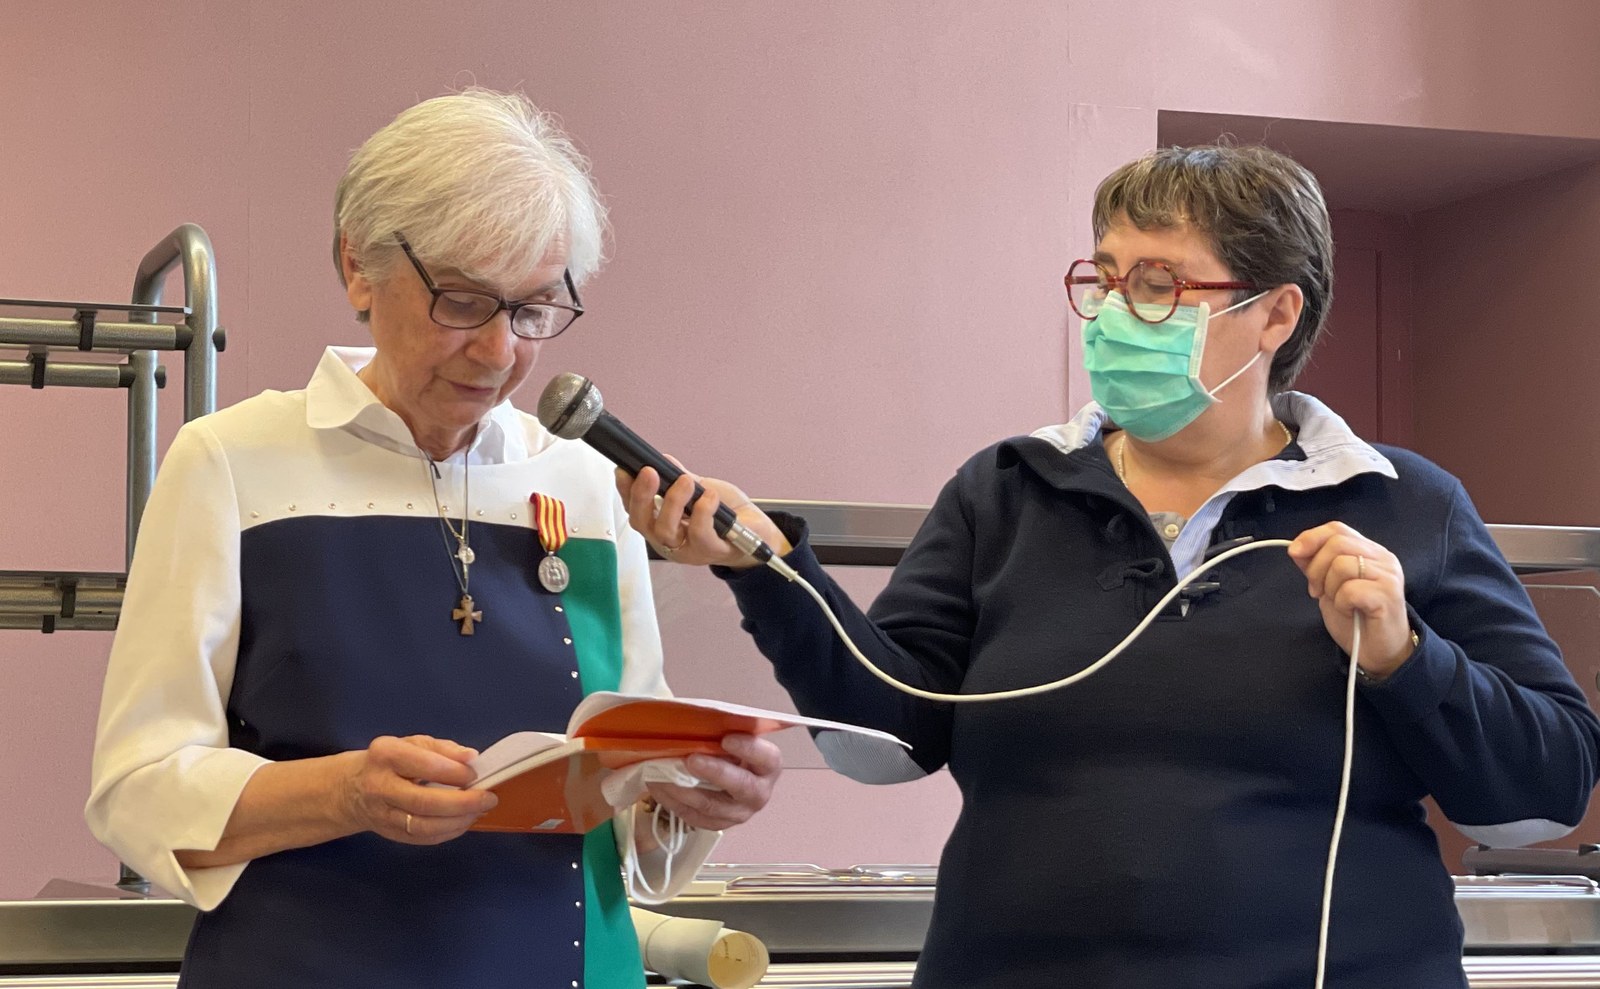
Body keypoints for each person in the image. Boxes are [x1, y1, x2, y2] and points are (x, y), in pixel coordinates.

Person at [618, 144, 1600, 988]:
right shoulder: (1006, 489)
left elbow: (1539, 797)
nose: (1115, 314)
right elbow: (887, 740)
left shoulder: (1405, 504)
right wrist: (770, 572)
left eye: (1159, 285)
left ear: (1274, 314)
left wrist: (1405, 657)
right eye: (1106, 279)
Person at [85, 88, 781, 989]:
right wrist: (343, 793)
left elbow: (621, 810)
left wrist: (692, 800)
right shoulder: (232, 464)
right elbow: (137, 789)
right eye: (461, 301)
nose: (499, 351)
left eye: (533, 310)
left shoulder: (579, 481)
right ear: (358, 266)